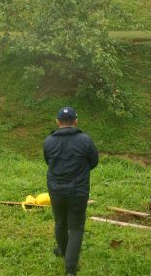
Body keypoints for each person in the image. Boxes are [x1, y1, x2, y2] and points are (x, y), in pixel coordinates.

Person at [43, 106, 99, 276]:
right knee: (75, 227)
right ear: (75, 121)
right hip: (78, 191)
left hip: (56, 190)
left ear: (57, 122)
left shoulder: (48, 141)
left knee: (60, 222)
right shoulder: (85, 140)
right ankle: (70, 269)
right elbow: (93, 162)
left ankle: (63, 250)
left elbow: (48, 161)